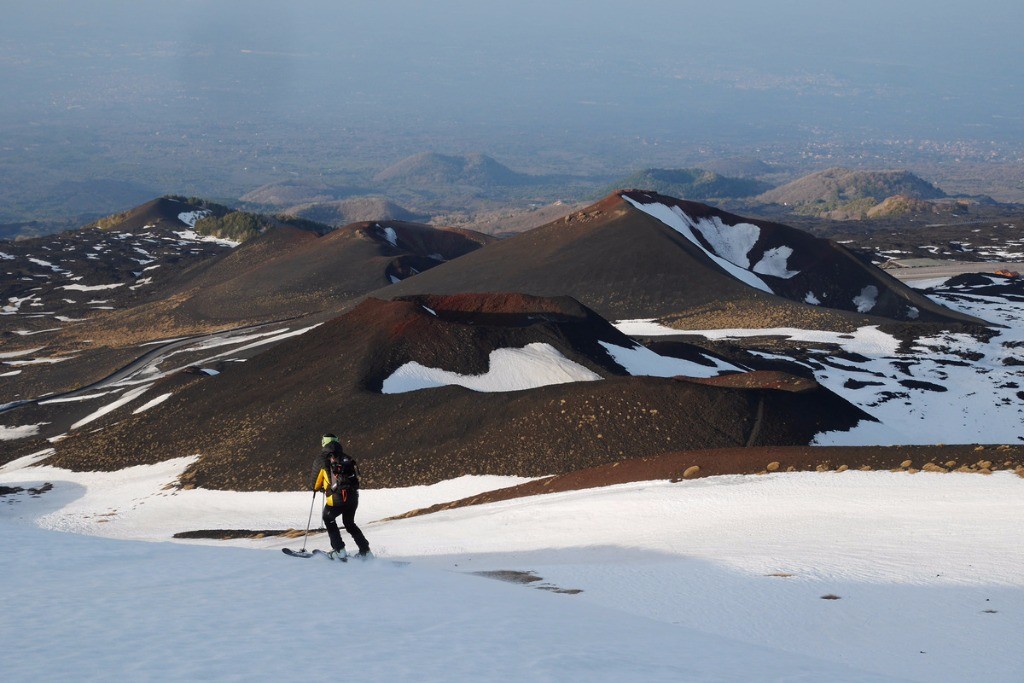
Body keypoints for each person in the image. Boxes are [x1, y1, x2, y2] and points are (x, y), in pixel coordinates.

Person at [313, 433, 371, 559]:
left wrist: (319, 488)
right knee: (349, 522)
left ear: (324, 442)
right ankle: (365, 551)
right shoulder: (346, 457)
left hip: (337, 498)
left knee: (328, 518)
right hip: (353, 497)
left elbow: (315, 484)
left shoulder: (322, 459)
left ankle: (339, 550)